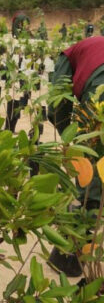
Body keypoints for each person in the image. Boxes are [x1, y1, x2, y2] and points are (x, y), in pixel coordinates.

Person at [49, 36, 104, 209]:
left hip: (99, 84)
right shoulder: (90, 47)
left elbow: (57, 105)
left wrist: (71, 136)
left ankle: (90, 206)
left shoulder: (66, 56)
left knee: (90, 142)